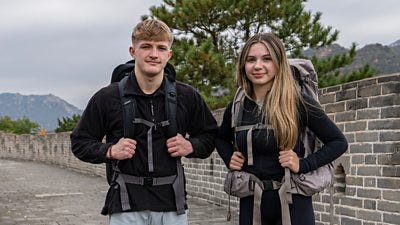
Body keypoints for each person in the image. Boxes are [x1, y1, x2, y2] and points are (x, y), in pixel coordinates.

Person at [70, 19, 218, 225]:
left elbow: (210, 136)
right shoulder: (107, 98)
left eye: (161, 48)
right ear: (133, 51)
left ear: (169, 54)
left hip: (172, 205)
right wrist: (110, 151)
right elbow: (79, 142)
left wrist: (191, 145)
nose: (154, 54)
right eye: (146, 46)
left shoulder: (187, 96)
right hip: (125, 204)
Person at [216, 33, 348, 225]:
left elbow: (338, 142)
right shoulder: (238, 105)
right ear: (243, 66)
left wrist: (303, 164)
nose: (258, 66)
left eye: (267, 59)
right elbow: (221, 139)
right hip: (251, 201)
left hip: (294, 202)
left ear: (279, 63)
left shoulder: (298, 102)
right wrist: (229, 157)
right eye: (251, 60)